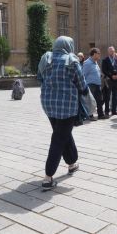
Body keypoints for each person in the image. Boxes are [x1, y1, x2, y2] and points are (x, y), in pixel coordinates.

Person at [37, 36, 87, 191]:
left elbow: (39, 78)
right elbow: (82, 85)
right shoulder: (71, 61)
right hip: (67, 107)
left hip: (49, 105)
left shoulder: (46, 58)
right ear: (68, 46)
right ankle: (48, 177)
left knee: (63, 134)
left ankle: (72, 163)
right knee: (59, 138)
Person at [82, 48, 108, 120]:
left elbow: (98, 71)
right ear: (94, 54)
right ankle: (90, 115)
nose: (100, 55)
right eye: (98, 53)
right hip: (90, 85)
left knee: (99, 100)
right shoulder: (87, 63)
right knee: (91, 100)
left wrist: (101, 75)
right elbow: (83, 74)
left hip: (98, 84)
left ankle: (100, 114)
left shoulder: (95, 62)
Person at [102, 46, 117, 116]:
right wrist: (111, 76)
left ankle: (114, 111)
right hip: (109, 80)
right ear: (108, 52)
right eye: (110, 51)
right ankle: (106, 111)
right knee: (107, 96)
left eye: (113, 51)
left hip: (116, 81)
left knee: (115, 96)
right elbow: (104, 70)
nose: (112, 52)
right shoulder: (105, 60)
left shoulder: (116, 60)